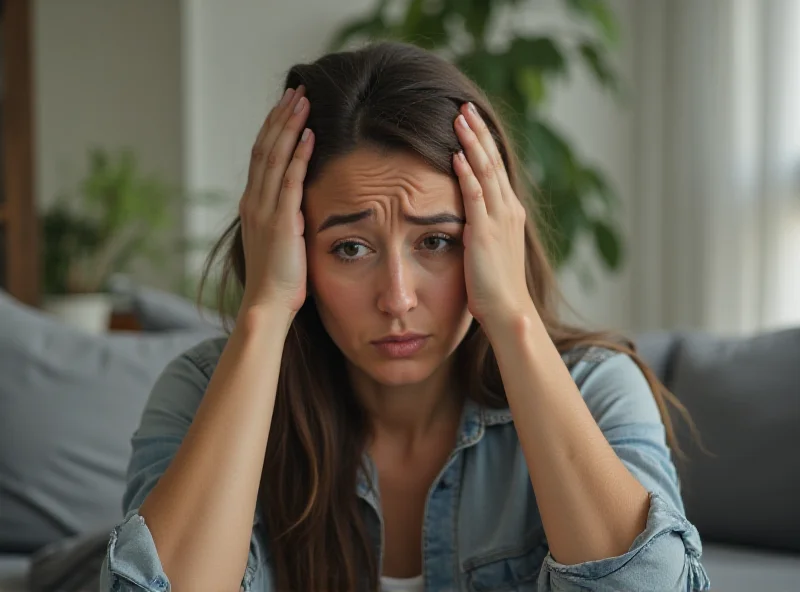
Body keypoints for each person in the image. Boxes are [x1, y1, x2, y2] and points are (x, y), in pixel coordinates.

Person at [99, 42, 710, 592]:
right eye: (350, 248)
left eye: (436, 242)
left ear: (490, 240)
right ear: (290, 248)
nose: (396, 298)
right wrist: (263, 309)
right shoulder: (200, 390)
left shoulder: (597, 389)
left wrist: (513, 314)